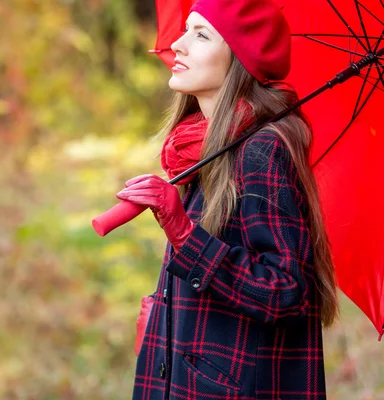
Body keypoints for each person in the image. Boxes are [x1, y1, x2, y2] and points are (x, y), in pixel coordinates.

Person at [115, 0, 340, 399]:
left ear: (240, 59)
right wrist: (163, 317)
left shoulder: (260, 152)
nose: (179, 45)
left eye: (200, 35)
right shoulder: (204, 149)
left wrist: (184, 235)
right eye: (185, 29)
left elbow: (286, 292)